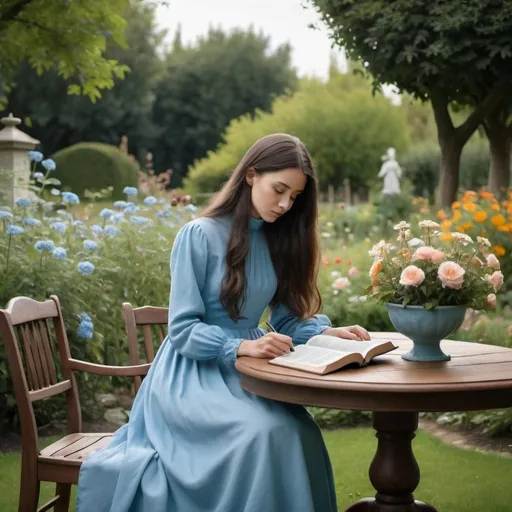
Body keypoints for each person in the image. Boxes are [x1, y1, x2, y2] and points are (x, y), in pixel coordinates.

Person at [76, 133, 370, 512]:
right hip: (191, 376)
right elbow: (181, 329)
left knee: (300, 431)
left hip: (253, 371)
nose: (285, 204)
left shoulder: (276, 239)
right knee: (262, 433)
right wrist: (240, 346)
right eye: (279, 189)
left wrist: (324, 332)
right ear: (250, 175)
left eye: (294, 196)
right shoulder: (197, 235)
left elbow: (284, 317)